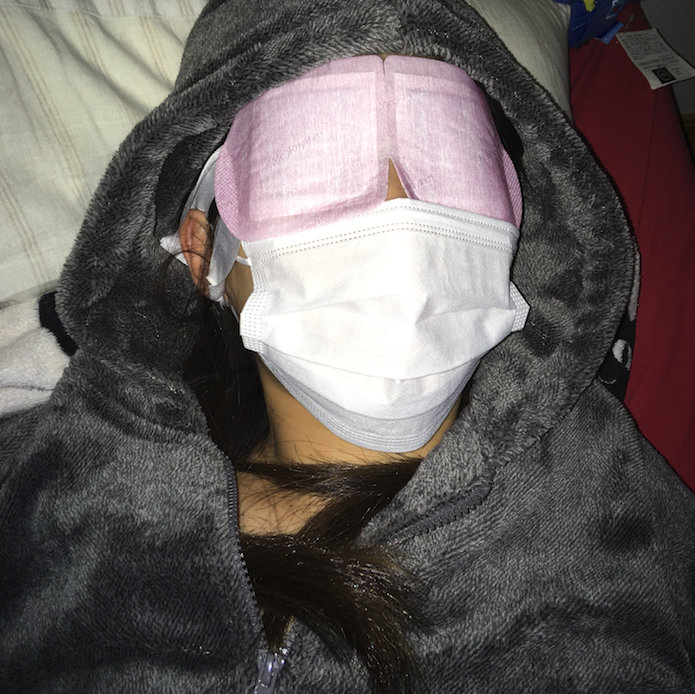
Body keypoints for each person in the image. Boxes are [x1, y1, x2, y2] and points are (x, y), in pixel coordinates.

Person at [1, 1, 694, 693]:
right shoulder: (51, 487)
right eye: (313, 156)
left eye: (451, 153)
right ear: (202, 252)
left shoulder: (619, 509)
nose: (401, 213)